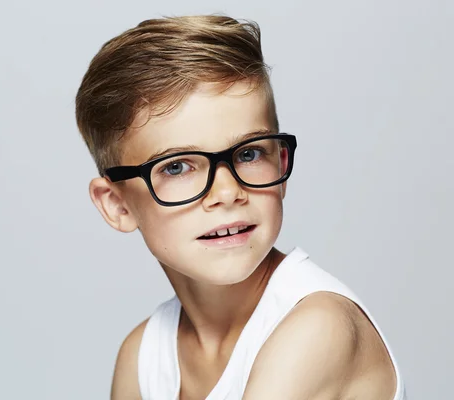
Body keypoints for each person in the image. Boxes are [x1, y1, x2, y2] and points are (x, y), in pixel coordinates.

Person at [75, 15, 406, 400]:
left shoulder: (318, 328)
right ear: (117, 205)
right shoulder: (142, 357)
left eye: (248, 153)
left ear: (281, 164)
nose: (228, 191)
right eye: (178, 166)